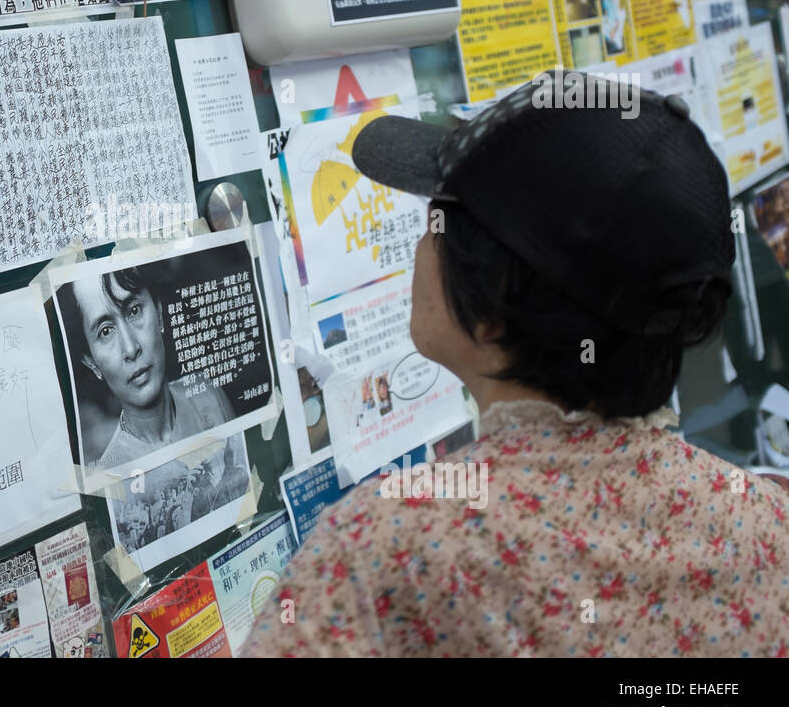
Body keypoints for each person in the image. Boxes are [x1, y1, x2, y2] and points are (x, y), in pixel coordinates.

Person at [242, 72, 789, 657]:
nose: (421, 244)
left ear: (493, 308)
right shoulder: (767, 525)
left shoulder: (377, 561)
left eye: (439, 214)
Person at [59, 265, 235, 470]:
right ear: (91, 361)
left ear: (159, 312)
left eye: (134, 311)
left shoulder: (208, 395)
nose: (131, 348)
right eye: (106, 332)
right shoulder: (111, 472)